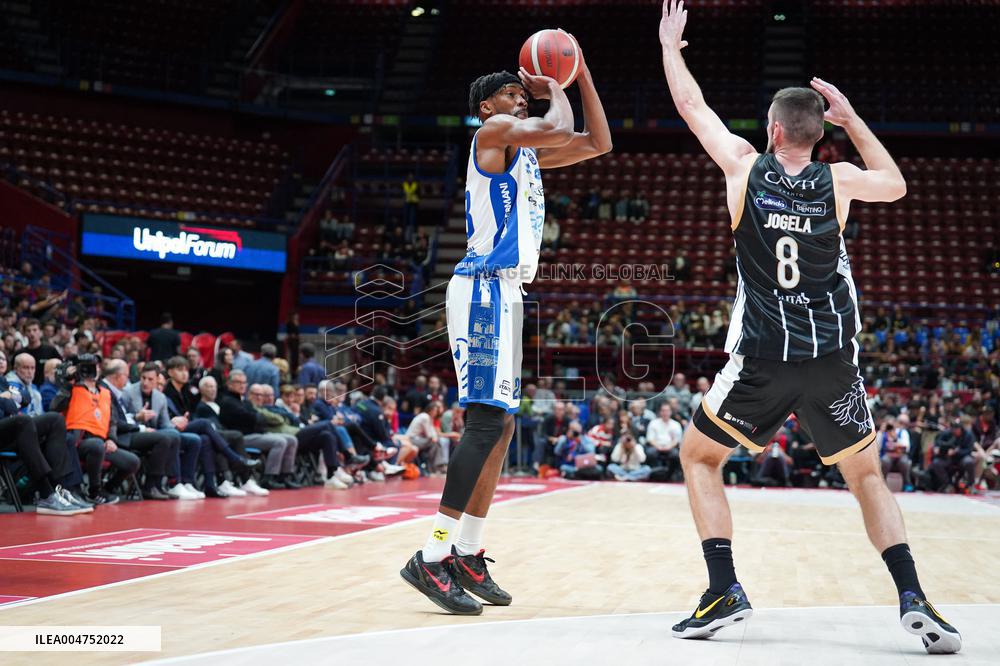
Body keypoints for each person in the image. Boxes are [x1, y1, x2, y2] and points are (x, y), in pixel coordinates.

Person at [659, 0, 960, 652]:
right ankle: (913, 595)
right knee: (868, 477)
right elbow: (898, 184)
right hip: (832, 360)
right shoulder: (841, 179)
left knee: (699, 456)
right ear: (819, 136)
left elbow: (692, 108)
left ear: (771, 131)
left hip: (764, 357)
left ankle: (723, 588)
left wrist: (670, 48)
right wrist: (853, 122)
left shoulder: (744, 166)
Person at [401, 45, 612, 616]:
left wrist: (581, 73)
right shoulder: (493, 131)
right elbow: (556, 122)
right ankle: (432, 553)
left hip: (509, 292)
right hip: (483, 287)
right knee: (485, 421)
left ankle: (467, 552)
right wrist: (553, 87)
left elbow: (598, 142)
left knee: (503, 429)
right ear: (486, 105)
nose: (519, 98)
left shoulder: (527, 156)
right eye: (510, 94)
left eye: (522, 94)